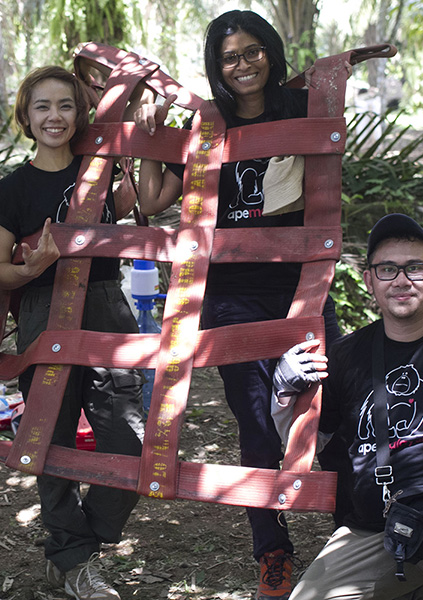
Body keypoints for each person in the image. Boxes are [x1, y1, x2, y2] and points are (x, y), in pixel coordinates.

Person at [132, 10, 343, 598]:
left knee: (330, 405)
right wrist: (149, 138)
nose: (243, 64)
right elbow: (152, 200)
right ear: (216, 66)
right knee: (254, 418)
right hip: (229, 294)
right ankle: (271, 549)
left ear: (271, 52)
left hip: (302, 284)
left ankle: (356, 530)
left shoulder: (301, 112)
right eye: (230, 57)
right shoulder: (207, 124)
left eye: (253, 51)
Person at [0, 65, 144, 600]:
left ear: (80, 114)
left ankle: (75, 547)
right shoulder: (12, 189)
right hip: (42, 309)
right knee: (50, 438)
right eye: (42, 106)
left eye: (66, 105)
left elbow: (149, 196)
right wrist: (29, 269)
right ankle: (75, 561)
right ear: (25, 117)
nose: (54, 116)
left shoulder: (100, 174)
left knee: (128, 441)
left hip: (105, 306)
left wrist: (146, 122)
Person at [272, 213, 423, 599]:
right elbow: (310, 443)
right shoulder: (347, 355)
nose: (401, 280)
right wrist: (284, 390)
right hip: (379, 532)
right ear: (370, 281)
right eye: (387, 269)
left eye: (415, 268)